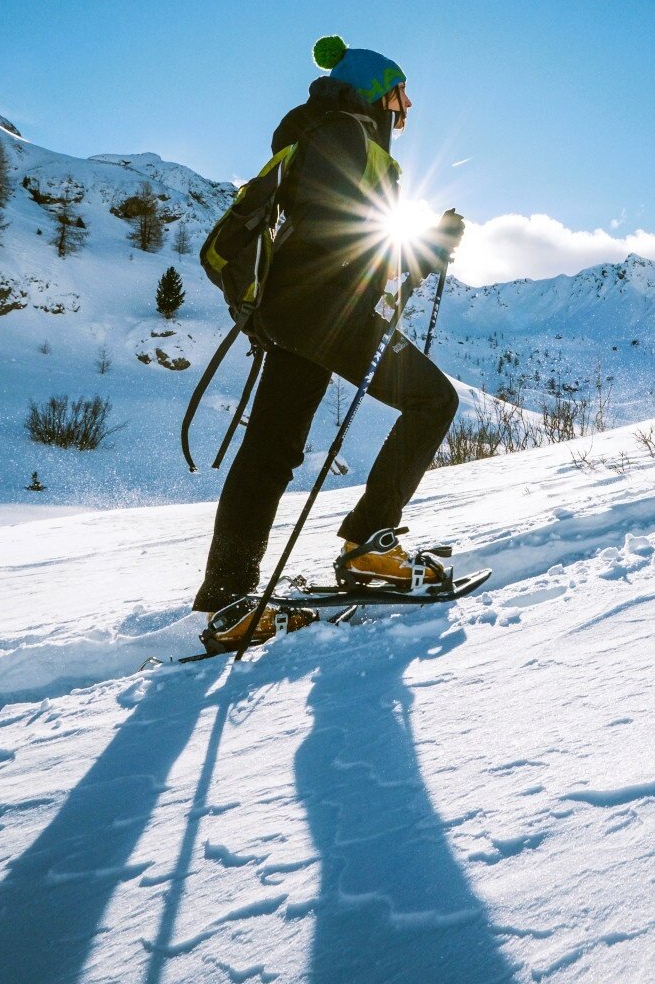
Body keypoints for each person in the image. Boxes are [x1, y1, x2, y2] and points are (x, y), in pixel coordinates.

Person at [193, 36, 464, 650]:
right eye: (400, 94)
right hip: (325, 311)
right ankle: (369, 543)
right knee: (434, 402)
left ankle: (229, 598)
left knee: (270, 452)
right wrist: (426, 246)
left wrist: (420, 253)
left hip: (292, 311)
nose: (407, 108)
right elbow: (346, 237)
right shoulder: (346, 135)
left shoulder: (318, 132)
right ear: (374, 90)